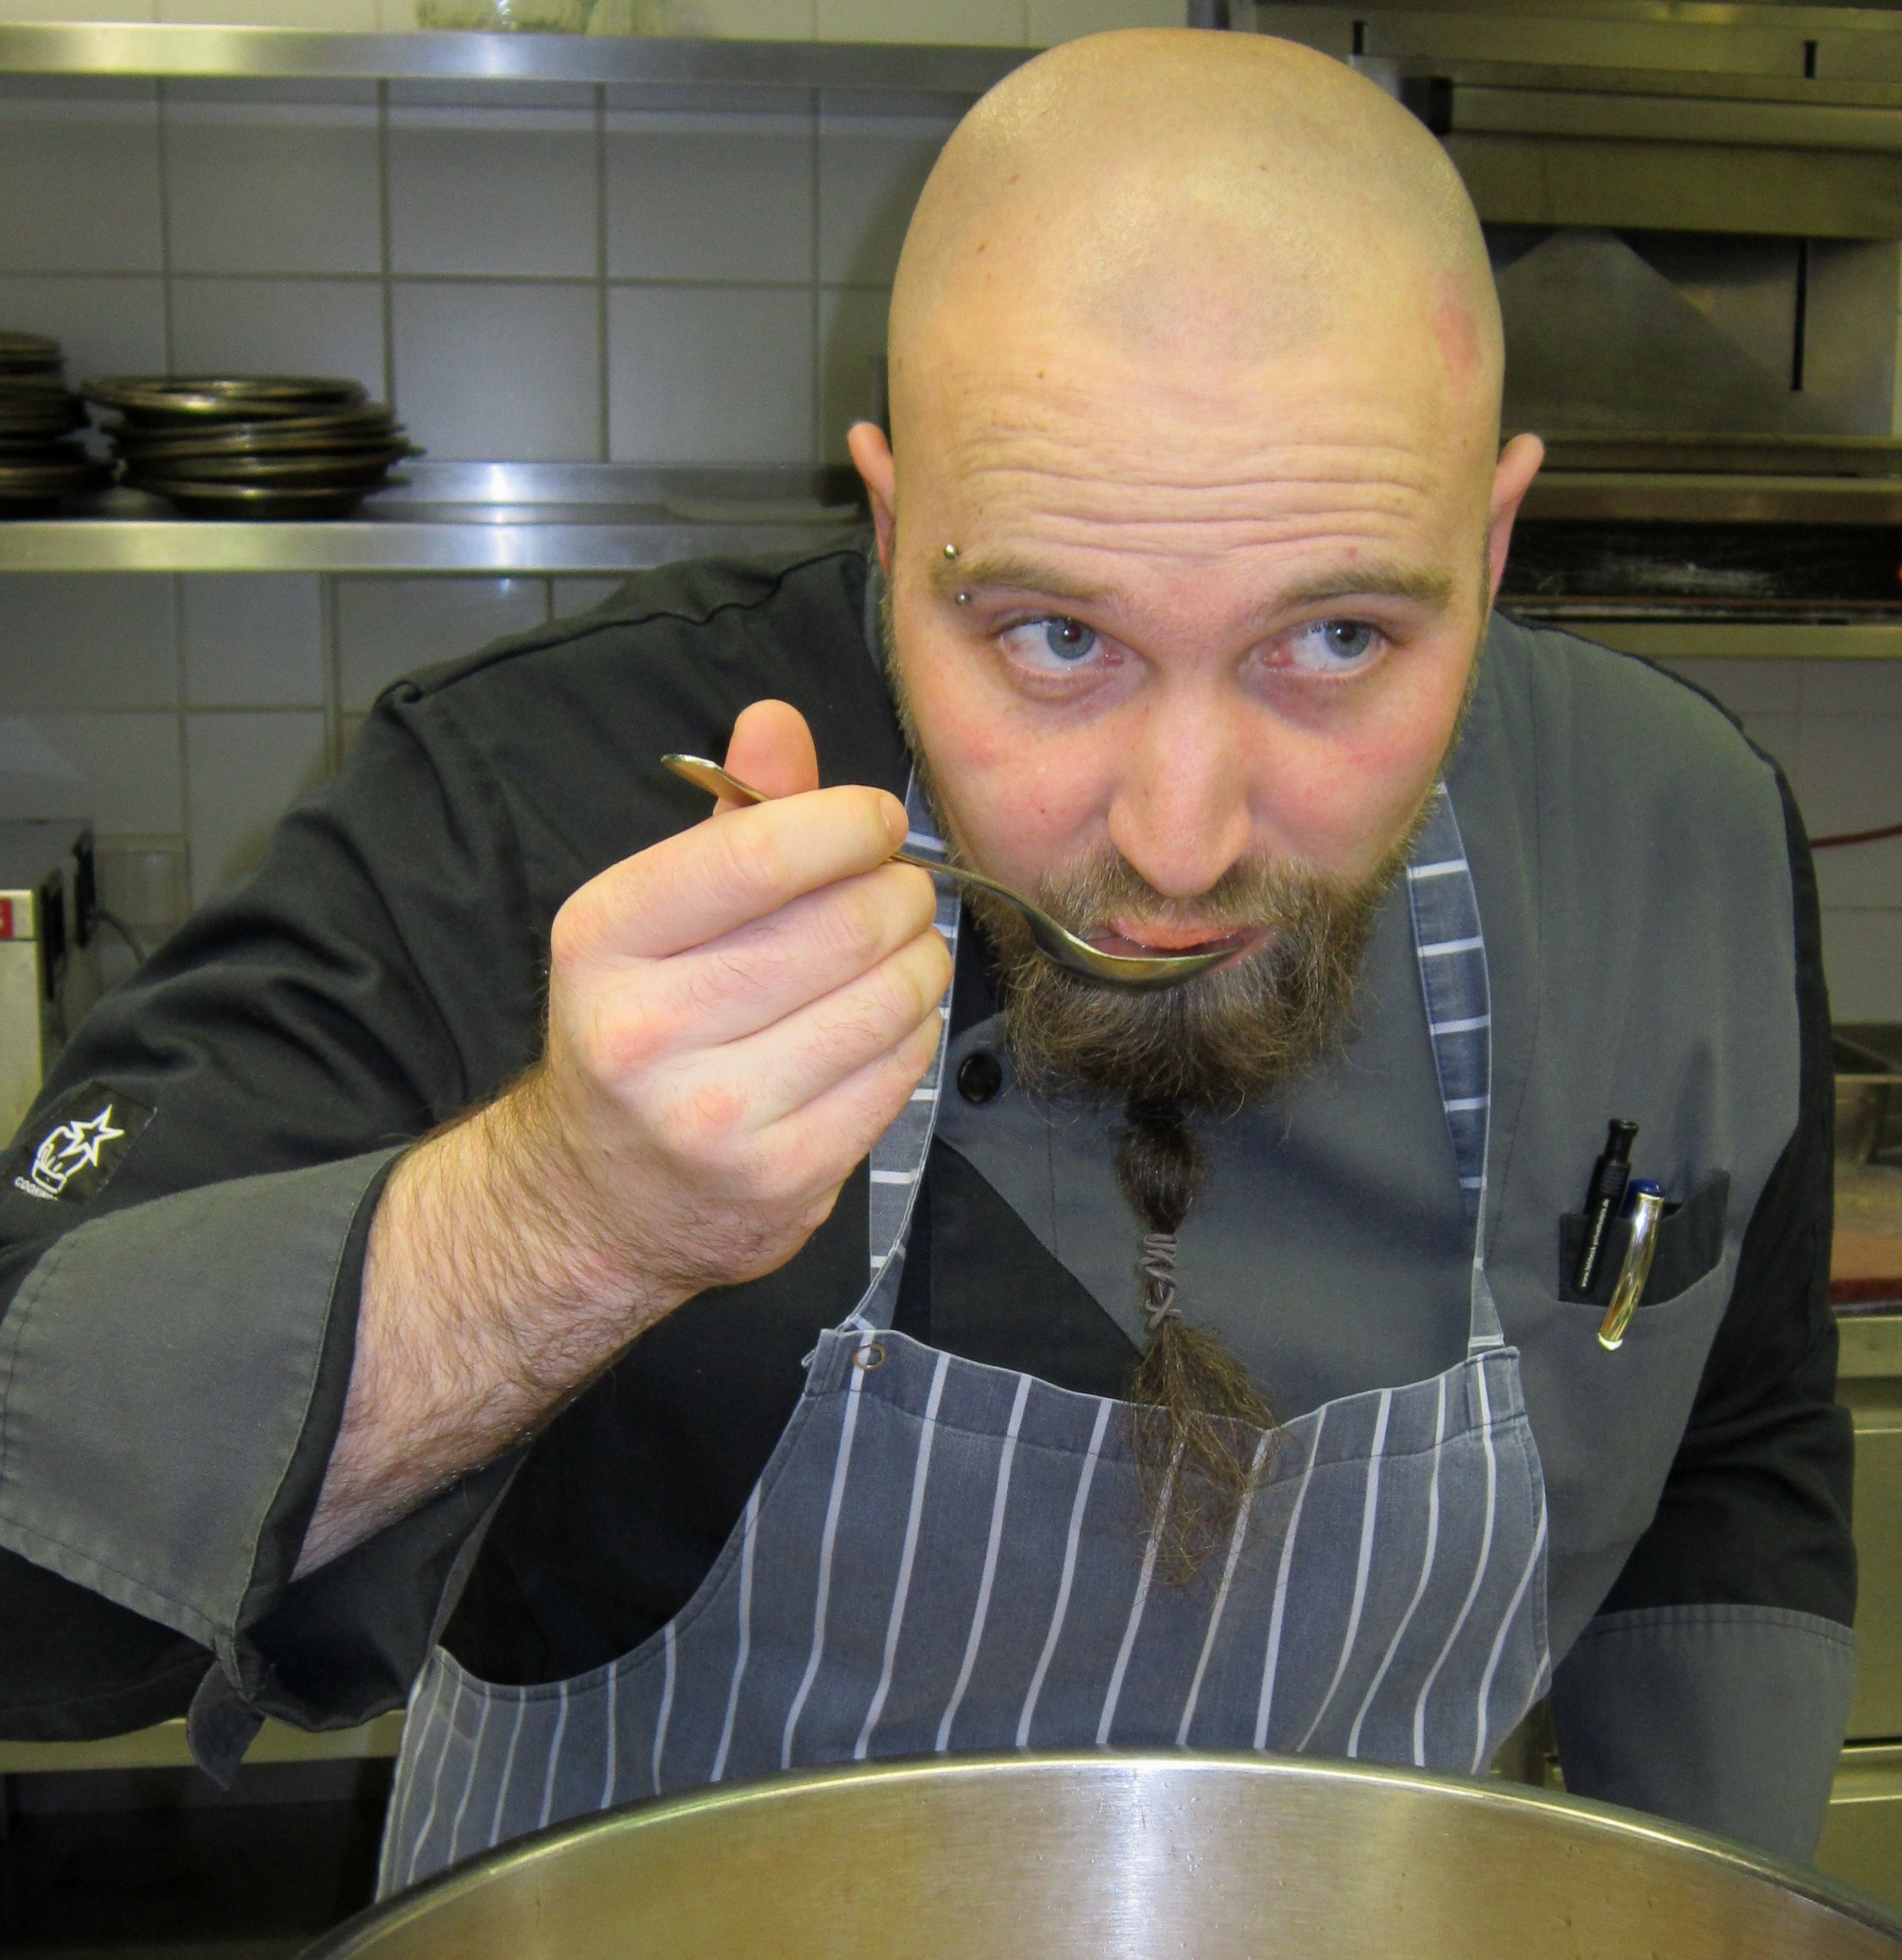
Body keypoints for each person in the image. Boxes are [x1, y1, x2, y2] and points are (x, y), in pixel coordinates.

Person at [0, 27, 1852, 1888]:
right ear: (891, 529)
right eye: (1055, 635)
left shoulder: (1673, 836)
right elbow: (34, 1595)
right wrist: (558, 1219)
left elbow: (1732, 1454)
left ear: (1492, 538)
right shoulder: (532, 803)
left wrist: (1713, 1915)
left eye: (1340, 639)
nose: (1181, 836)